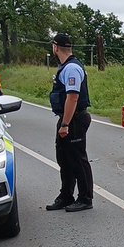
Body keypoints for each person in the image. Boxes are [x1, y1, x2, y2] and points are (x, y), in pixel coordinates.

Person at [46, 33, 93, 212]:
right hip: (67, 118)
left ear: (55, 47)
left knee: (78, 160)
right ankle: (66, 196)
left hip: (74, 119)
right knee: (64, 159)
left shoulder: (71, 68)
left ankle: (85, 198)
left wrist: (65, 124)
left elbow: (73, 97)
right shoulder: (66, 66)